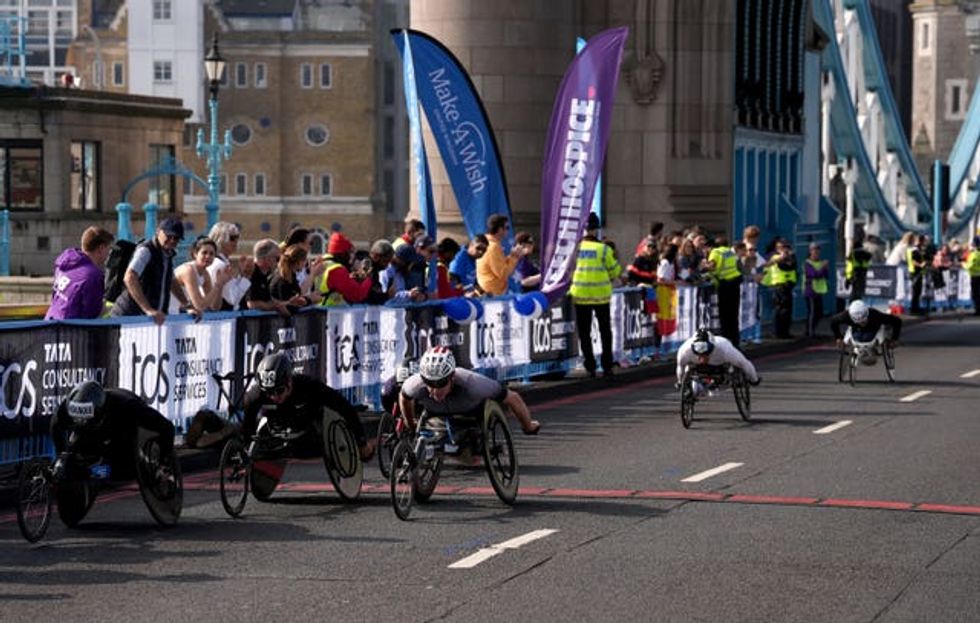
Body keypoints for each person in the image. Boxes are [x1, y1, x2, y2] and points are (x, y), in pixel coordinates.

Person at [242, 352, 376, 461]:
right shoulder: (255, 396)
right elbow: (247, 429)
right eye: (269, 392)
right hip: (277, 432)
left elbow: (344, 407)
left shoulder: (308, 386)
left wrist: (362, 443)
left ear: (289, 381)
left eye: (280, 390)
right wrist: (246, 450)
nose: (274, 397)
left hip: (310, 436)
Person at [50, 380, 176, 482]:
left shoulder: (129, 407)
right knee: (71, 456)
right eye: (77, 418)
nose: (82, 421)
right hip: (90, 433)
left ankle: (98, 470)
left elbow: (167, 427)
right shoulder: (66, 409)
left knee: (124, 472)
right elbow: (55, 427)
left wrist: (164, 463)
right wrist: (61, 453)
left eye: (86, 418)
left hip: (120, 428)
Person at [398, 346, 540, 436]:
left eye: (440, 383)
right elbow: (404, 398)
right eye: (429, 383)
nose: (435, 390)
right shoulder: (415, 383)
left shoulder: (473, 383)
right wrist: (410, 423)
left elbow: (513, 398)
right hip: (434, 412)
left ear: (452, 377)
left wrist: (528, 426)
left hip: (470, 412)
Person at [110, 217, 191, 325]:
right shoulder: (146, 251)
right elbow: (129, 278)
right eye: (169, 235)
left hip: (148, 319)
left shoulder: (167, 255)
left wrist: (186, 304)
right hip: (129, 316)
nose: (172, 240)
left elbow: (171, 281)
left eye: (176, 238)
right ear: (158, 232)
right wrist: (148, 309)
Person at [571, 212, 622, 378]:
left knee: (584, 333)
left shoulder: (574, 248)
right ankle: (607, 365)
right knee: (605, 331)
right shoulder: (603, 249)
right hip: (601, 296)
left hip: (580, 296)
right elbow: (615, 271)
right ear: (595, 230)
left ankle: (590, 366)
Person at [46, 226, 114, 320]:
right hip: (71, 330)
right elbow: (91, 314)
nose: (109, 253)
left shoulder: (65, 261)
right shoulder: (93, 275)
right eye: (108, 249)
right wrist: (107, 309)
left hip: (50, 323)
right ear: (101, 248)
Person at [675, 329, 761, 390]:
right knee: (685, 367)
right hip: (697, 363)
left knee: (741, 362)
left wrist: (754, 379)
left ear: (713, 347)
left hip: (719, 362)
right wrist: (680, 382)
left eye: (706, 353)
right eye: (700, 353)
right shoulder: (685, 350)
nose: (703, 357)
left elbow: (744, 363)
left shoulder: (725, 349)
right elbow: (680, 366)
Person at [170, 236, 234, 314]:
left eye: (211, 254)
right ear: (195, 254)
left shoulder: (205, 273)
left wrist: (220, 285)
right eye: (204, 253)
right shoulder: (188, 270)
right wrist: (217, 285)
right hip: (168, 312)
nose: (208, 256)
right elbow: (199, 305)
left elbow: (214, 307)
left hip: (177, 313)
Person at [317, 231, 373, 305]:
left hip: (318, 308)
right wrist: (368, 278)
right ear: (342, 254)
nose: (350, 257)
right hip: (331, 311)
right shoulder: (337, 270)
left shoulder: (322, 262)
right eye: (348, 253)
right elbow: (357, 294)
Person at [706, 236, 743, 347]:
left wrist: (705, 266)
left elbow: (712, 266)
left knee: (724, 315)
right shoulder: (730, 252)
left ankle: (726, 342)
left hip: (725, 284)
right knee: (733, 315)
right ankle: (735, 343)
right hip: (735, 282)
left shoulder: (716, 252)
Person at [207, 221, 253, 311]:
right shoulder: (219, 264)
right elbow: (233, 299)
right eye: (232, 238)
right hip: (221, 318)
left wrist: (242, 275)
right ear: (220, 239)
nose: (236, 242)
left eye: (237, 238)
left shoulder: (222, 262)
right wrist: (246, 278)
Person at [477, 215, 526, 296]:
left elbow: (498, 265)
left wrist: (512, 255)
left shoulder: (488, 242)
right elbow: (503, 273)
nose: (508, 231)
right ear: (500, 229)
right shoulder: (493, 247)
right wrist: (515, 257)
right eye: (507, 227)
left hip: (489, 291)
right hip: (492, 294)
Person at [247, 238, 295, 316]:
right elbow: (251, 303)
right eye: (277, 258)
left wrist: (288, 303)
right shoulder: (251, 273)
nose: (279, 262)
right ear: (265, 258)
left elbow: (267, 299)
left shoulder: (266, 274)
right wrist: (276, 306)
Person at [270, 243, 323, 310]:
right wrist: (309, 299)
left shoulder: (291, 275)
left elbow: (299, 293)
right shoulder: (283, 277)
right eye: (305, 260)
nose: (306, 263)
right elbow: (292, 303)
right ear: (299, 262)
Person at [830, 300, 903, 346]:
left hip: (872, 330)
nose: (862, 323)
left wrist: (894, 339)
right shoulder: (845, 316)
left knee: (866, 337)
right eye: (859, 321)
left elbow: (897, 321)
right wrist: (838, 337)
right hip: (856, 330)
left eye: (863, 320)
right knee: (858, 337)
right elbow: (833, 322)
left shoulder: (875, 315)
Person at [765, 239, 797, 338]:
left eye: (787, 248)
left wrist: (789, 257)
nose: (786, 250)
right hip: (780, 286)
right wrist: (785, 258)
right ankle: (777, 332)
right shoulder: (776, 257)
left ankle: (785, 332)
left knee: (787, 311)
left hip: (788, 286)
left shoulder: (791, 257)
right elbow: (785, 267)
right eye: (783, 248)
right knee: (780, 310)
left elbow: (793, 266)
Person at [803, 242, 829, 337]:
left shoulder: (820, 262)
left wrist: (824, 269)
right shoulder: (808, 263)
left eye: (818, 250)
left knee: (819, 312)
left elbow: (825, 275)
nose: (816, 252)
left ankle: (811, 329)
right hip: (810, 290)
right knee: (812, 312)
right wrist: (823, 267)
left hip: (819, 290)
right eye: (814, 250)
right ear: (810, 251)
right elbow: (814, 275)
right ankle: (809, 332)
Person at [366, 239, 395, 304]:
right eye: (385, 261)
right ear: (376, 256)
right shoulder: (368, 268)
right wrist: (387, 295)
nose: (387, 265)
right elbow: (371, 296)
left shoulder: (375, 269)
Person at [907, 235, 928, 315]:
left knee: (917, 292)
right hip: (915, 273)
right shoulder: (915, 250)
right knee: (916, 292)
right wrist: (921, 265)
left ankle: (916, 308)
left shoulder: (914, 249)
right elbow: (913, 261)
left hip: (915, 272)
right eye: (923, 241)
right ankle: (914, 309)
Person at [966, 237, 980, 315]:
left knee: (976, 294)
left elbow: (969, 266)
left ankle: (978, 310)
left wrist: (963, 264)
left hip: (975, 276)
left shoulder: (974, 254)